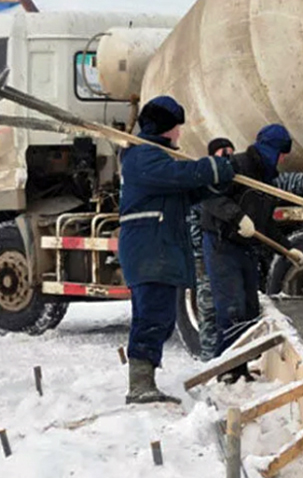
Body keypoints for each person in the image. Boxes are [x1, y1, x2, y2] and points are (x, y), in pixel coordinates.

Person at [119, 96, 235, 404]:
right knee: (152, 316)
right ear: (165, 128)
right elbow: (179, 176)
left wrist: (217, 181)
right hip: (149, 250)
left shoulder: (154, 158)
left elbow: (183, 190)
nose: (180, 134)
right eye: (177, 128)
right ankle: (140, 385)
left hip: (156, 249)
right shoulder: (145, 156)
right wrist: (214, 167)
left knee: (157, 316)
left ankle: (143, 381)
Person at [199, 124, 303, 382]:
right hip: (221, 243)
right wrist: (237, 217)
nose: (283, 159)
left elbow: (266, 224)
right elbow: (210, 197)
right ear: (271, 150)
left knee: (249, 309)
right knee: (231, 307)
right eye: (282, 153)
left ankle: (238, 368)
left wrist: (287, 248)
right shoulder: (235, 166)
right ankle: (227, 369)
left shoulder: (266, 180)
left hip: (245, 247)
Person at [187, 137, 236, 360]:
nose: (228, 155)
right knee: (208, 308)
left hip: (223, 253)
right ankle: (209, 356)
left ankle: (225, 355)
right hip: (205, 255)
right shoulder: (203, 181)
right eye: (223, 152)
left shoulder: (229, 177)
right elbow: (193, 221)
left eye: (231, 151)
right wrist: (199, 253)